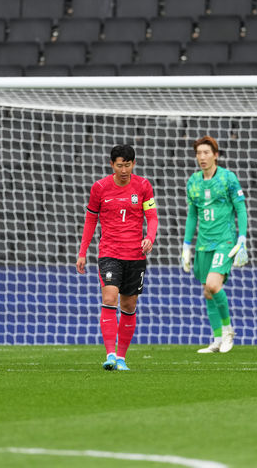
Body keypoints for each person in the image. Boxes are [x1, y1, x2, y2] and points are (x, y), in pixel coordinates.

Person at [76, 144, 158, 371]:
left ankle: (121, 358)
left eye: (128, 165)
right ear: (112, 164)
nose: (124, 170)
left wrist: (149, 237)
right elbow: (91, 220)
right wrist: (82, 252)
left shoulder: (143, 186)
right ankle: (110, 354)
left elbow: (152, 216)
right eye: (120, 165)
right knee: (110, 298)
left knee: (129, 305)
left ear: (134, 164)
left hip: (135, 255)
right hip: (109, 253)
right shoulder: (100, 188)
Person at [181, 136, 248, 354]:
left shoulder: (228, 178)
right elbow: (192, 215)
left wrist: (242, 239)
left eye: (206, 153)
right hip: (203, 244)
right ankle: (217, 339)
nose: (202, 157)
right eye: (198, 153)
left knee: (213, 284)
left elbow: (240, 208)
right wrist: (186, 245)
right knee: (208, 292)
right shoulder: (193, 182)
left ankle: (228, 331)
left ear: (215, 155)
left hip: (224, 241)